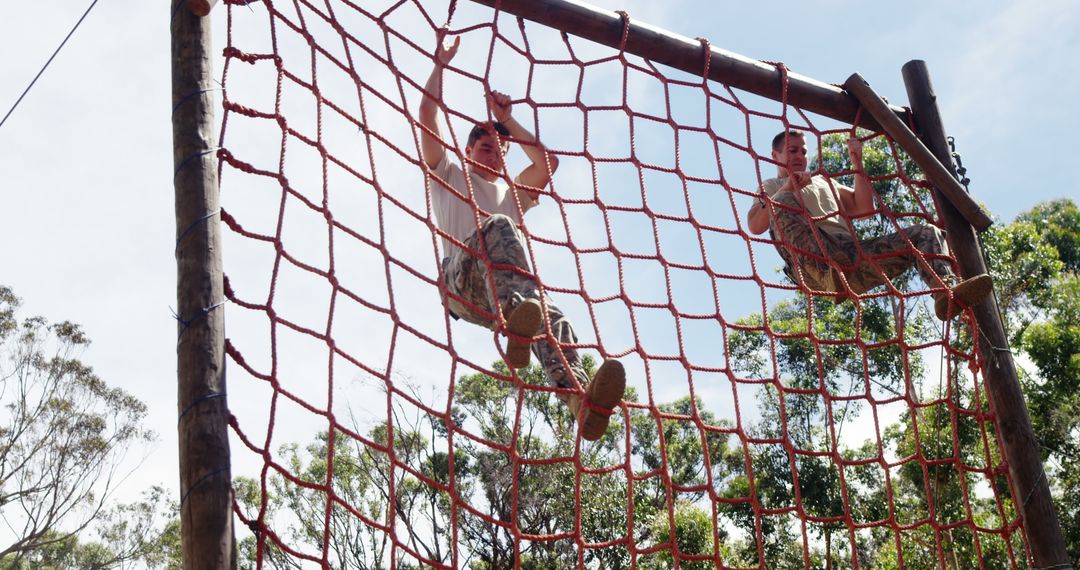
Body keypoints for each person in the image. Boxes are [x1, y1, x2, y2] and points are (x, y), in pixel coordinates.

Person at [418, 33, 625, 441]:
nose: (493, 155)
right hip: (461, 283)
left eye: (499, 150)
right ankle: (516, 318)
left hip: (504, 299)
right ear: (468, 150)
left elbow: (548, 163)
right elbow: (427, 113)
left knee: (553, 314)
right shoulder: (448, 173)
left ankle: (580, 403)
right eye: (485, 148)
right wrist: (440, 63)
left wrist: (507, 120)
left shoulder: (512, 195)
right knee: (499, 226)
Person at [745, 129, 991, 320]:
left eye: (803, 151)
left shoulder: (823, 181)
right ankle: (827, 270)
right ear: (775, 155)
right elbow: (755, 225)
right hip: (813, 266)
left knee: (927, 232)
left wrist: (857, 163)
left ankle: (945, 293)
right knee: (783, 201)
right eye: (792, 150)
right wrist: (789, 188)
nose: (799, 156)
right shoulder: (772, 187)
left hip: (851, 257)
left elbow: (864, 208)